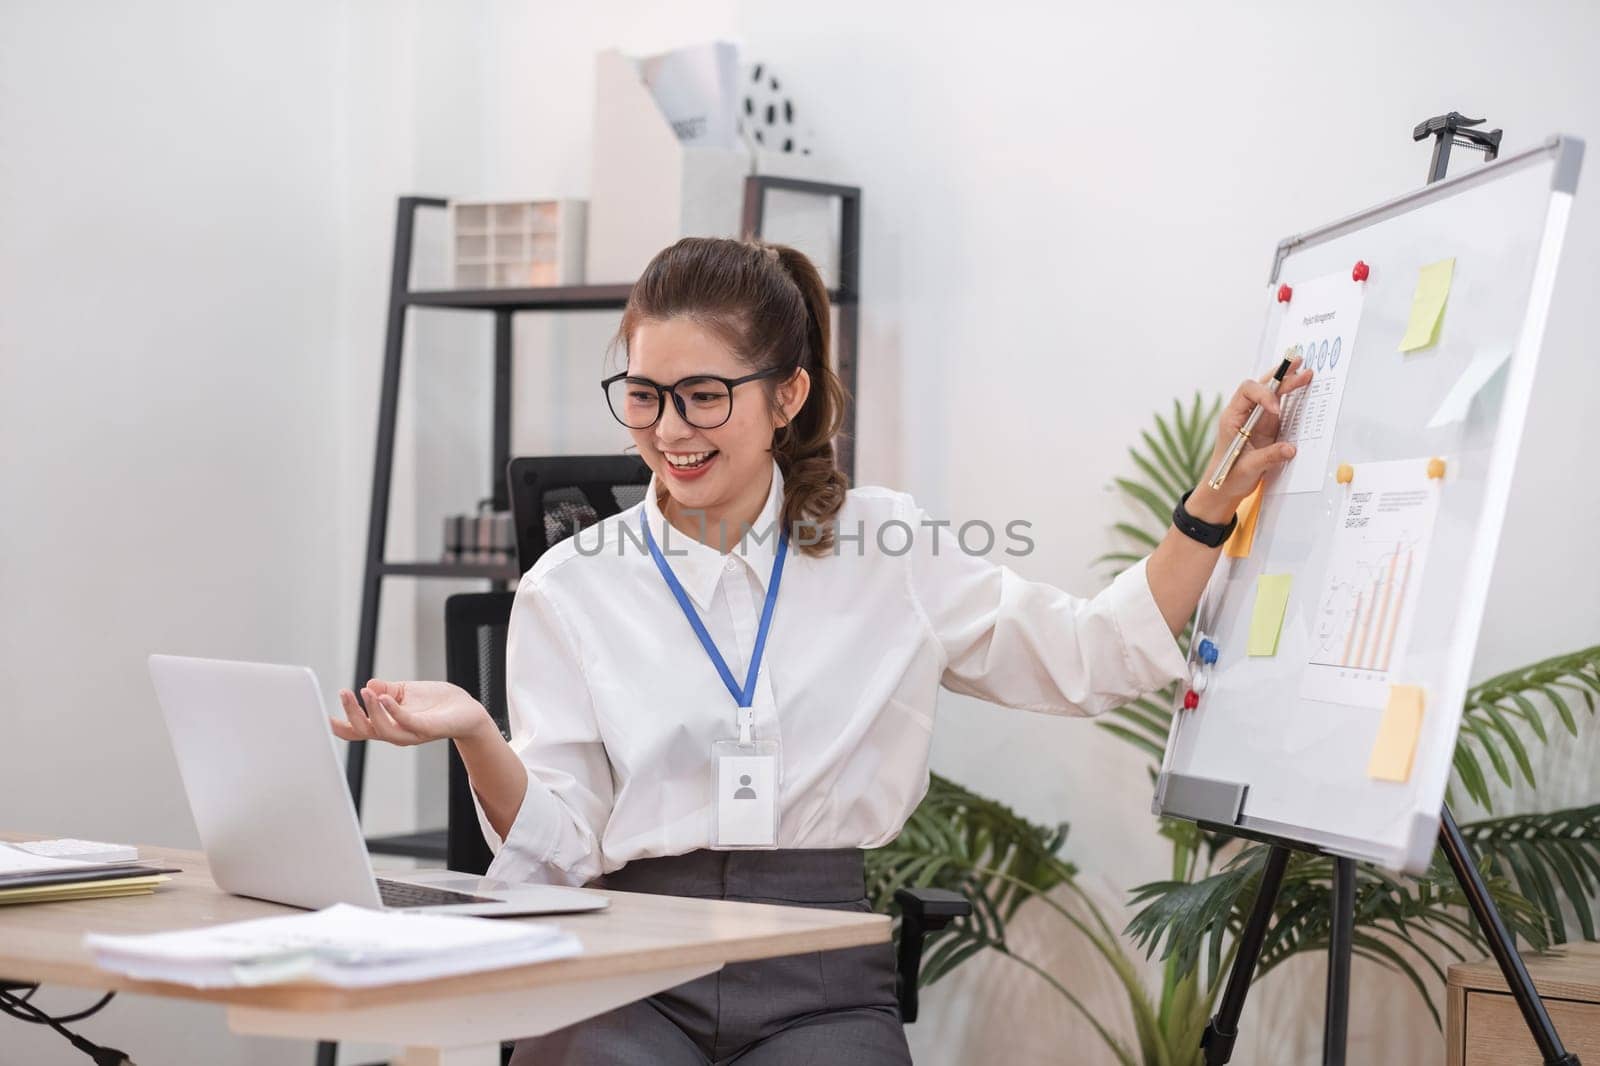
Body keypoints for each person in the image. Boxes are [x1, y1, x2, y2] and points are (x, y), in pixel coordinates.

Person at [331, 237, 1312, 1064]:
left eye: (703, 396)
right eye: (642, 396)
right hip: (622, 959)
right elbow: (556, 845)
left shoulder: (887, 550)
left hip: (817, 967)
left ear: (786, 393)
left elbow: (1091, 655)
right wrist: (473, 733)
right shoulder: (569, 585)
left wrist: (1213, 499)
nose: (668, 432)